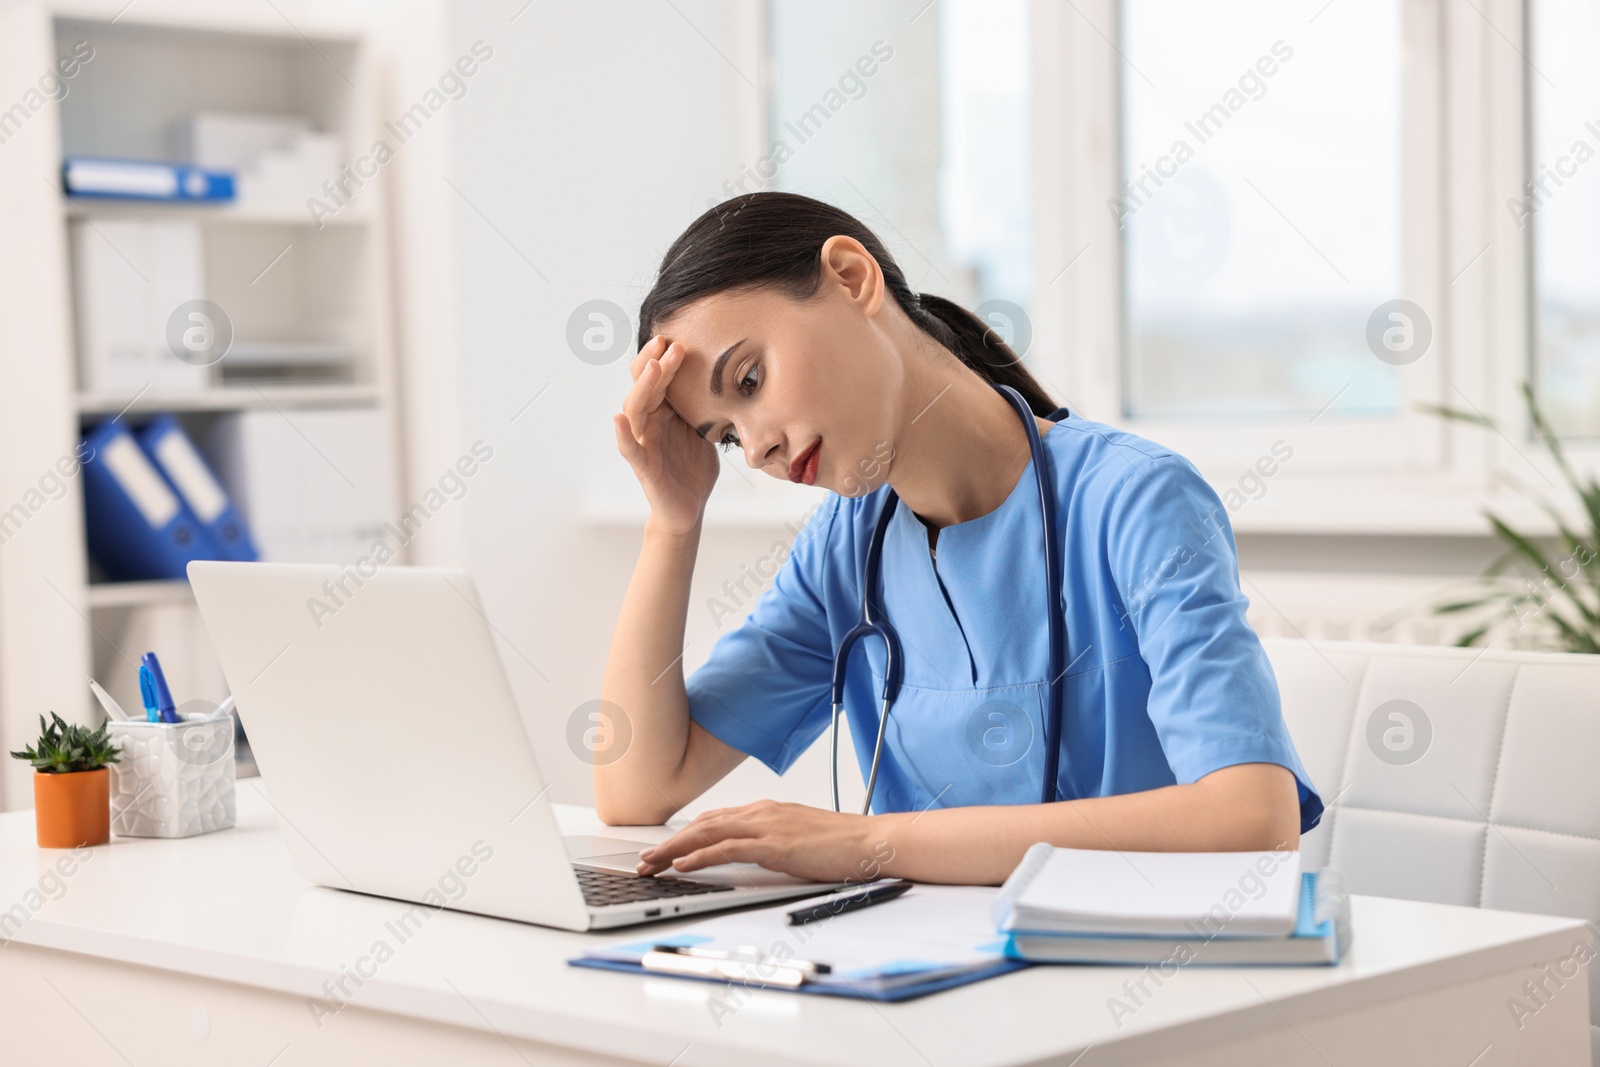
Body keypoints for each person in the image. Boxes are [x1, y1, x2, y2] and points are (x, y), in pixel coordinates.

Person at [601, 191, 1321, 885]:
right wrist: (674, 517)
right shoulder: (847, 550)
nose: (755, 450)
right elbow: (635, 787)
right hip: (928, 978)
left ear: (852, 278)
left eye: (750, 379)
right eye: (725, 438)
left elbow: (1254, 820)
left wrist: (869, 843)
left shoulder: (1135, 501)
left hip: (1135, 981)